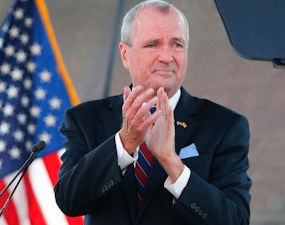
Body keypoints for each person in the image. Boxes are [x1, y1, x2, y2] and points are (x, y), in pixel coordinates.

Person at [54, 0, 252, 224]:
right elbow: (69, 201)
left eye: (177, 44)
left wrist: (171, 162)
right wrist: (124, 143)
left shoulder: (224, 126)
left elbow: (236, 220)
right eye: (152, 45)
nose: (167, 57)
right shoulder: (86, 119)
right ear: (125, 54)